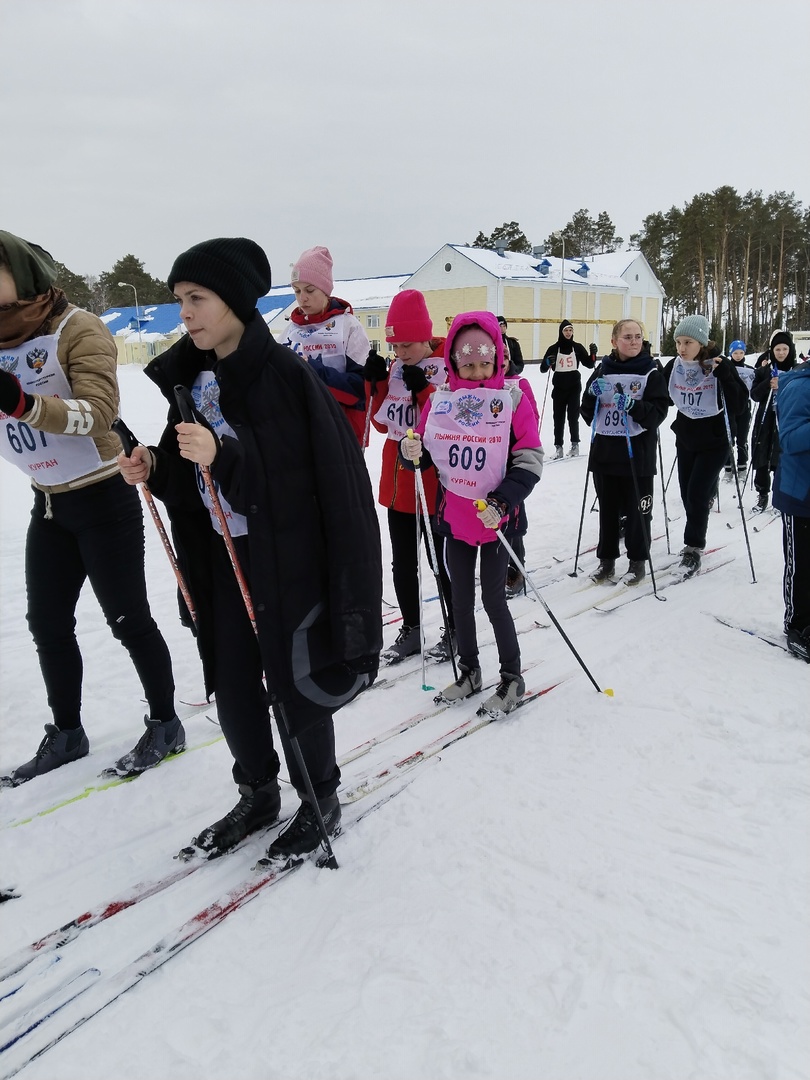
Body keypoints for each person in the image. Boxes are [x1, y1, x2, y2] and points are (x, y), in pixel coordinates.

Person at [118, 237, 382, 863]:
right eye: (179, 300)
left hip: (283, 563)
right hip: (219, 558)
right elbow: (191, 475)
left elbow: (299, 485)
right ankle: (257, 792)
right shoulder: (192, 376)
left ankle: (321, 797)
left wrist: (225, 456)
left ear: (235, 299)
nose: (184, 313)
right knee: (233, 681)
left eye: (197, 298)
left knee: (294, 684)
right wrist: (155, 464)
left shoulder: (283, 376)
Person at [0, 231, 180, 786]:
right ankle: (68, 732)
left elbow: (98, 413)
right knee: (47, 623)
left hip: (102, 494)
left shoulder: (77, 328)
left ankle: (166, 722)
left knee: (127, 618)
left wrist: (22, 402)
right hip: (48, 500)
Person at [400, 311, 543, 715]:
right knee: (459, 601)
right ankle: (470, 670)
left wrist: (502, 501)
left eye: (485, 363)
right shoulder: (443, 400)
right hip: (456, 518)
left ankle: (512, 678)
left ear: (498, 360)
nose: (478, 372)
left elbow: (529, 459)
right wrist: (412, 452)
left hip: (495, 519)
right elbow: (428, 449)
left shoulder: (511, 398)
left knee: (494, 601)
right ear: (454, 364)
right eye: (468, 364)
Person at [363, 290, 455, 663]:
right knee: (403, 562)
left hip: (434, 479)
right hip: (399, 481)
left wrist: (424, 388)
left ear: (425, 337)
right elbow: (383, 423)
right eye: (395, 345)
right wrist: (375, 382)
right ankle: (412, 627)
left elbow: (448, 418)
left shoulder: (446, 364)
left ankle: (455, 627)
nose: (400, 352)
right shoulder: (397, 367)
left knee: (440, 560)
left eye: (407, 344)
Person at [581, 319, 669, 586]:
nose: (633, 342)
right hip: (606, 452)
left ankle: (637, 561)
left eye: (638, 337)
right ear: (614, 341)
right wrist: (591, 395)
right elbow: (586, 413)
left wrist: (634, 405)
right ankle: (606, 562)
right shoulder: (602, 371)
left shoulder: (651, 371)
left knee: (638, 512)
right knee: (607, 513)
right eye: (627, 337)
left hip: (637, 455)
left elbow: (658, 414)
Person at [661, 315, 749, 578]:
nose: (681, 348)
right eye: (678, 342)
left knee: (696, 494)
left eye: (688, 342)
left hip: (715, 441)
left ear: (701, 342)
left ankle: (693, 547)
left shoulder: (719, 365)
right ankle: (706, 498)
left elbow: (740, 404)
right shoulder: (675, 365)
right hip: (686, 438)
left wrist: (726, 377)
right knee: (688, 493)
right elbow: (662, 395)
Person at [280, 246, 369, 445]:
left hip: (340, 436)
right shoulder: (290, 331)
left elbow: (360, 390)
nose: (302, 298)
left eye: (309, 290)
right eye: (297, 291)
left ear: (326, 290)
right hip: (298, 435)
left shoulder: (348, 327)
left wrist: (311, 370)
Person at [772, 358, 810, 661]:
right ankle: (798, 624)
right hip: (801, 493)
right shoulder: (799, 386)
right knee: (803, 564)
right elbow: (789, 438)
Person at [503, 339, 540, 598]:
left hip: (512, 461)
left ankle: (516, 569)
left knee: (513, 519)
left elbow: (533, 417)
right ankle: (497, 567)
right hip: (486, 463)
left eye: (505, 355)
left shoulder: (519, 384)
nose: (501, 360)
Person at [750, 330, 797, 512]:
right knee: (762, 456)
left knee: (781, 459)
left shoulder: (795, 371)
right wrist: (768, 383)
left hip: (786, 420)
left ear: (790, 350)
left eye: (785, 349)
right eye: (777, 349)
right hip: (765, 420)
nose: (781, 353)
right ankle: (762, 494)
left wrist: (782, 384)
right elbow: (754, 395)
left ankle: (780, 497)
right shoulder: (764, 371)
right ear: (772, 350)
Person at [541, 319, 594, 458]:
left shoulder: (577, 347)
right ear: (561, 332)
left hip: (574, 386)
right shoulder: (554, 348)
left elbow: (589, 364)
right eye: (566, 330)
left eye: (570, 330)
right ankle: (558, 447)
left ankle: (575, 445)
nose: (568, 333)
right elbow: (542, 368)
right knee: (558, 417)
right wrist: (548, 362)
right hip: (559, 386)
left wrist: (593, 354)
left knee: (573, 416)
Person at [723, 339, 755, 481]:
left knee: (742, 438)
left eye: (741, 352)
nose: (738, 355)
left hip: (744, 407)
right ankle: (728, 468)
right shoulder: (726, 368)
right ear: (731, 353)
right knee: (729, 438)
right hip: (729, 407)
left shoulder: (749, 369)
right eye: (735, 352)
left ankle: (742, 466)